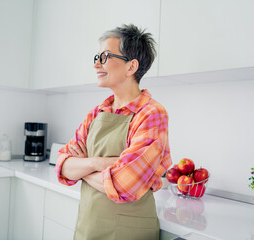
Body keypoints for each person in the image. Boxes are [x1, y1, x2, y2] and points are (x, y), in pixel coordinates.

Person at [55, 24, 172, 240]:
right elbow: (62, 166)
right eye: (96, 57)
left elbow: (122, 184)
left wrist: (82, 168)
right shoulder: (96, 113)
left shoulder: (151, 114)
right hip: (88, 228)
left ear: (131, 67)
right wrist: (97, 163)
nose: (97, 64)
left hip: (128, 233)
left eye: (105, 56)